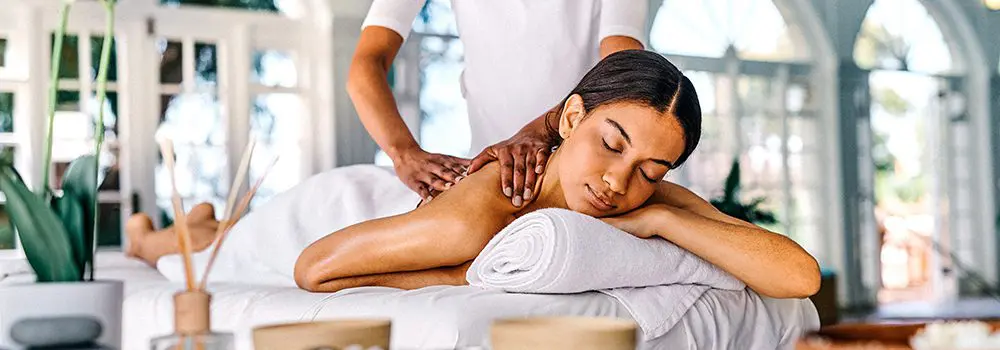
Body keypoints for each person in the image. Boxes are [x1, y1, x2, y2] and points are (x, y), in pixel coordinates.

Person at [125, 51, 820, 299]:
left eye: (652, 168)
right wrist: (465, 273)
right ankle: (155, 235)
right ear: (571, 116)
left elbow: (799, 277)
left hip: (400, 215)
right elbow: (312, 269)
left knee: (218, 229)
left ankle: (202, 219)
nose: (619, 182)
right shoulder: (481, 213)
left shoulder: (638, 190)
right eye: (612, 142)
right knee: (206, 254)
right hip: (334, 211)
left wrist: (665, 215)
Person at [349, 0, 648, 207]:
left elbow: (622, 69)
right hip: (487, 170)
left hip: (580, 174)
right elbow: (366, 64)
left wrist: (542, 130)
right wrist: (404, 153)